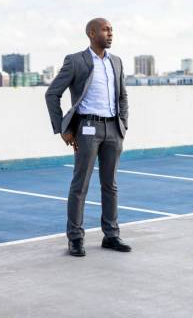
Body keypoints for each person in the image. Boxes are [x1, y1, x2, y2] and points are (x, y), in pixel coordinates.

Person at [45, 17, 131, 257]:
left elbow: (123, 96)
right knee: (80, 185)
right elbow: (52, 94)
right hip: (87, 129)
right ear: (92, 33)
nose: (111, 33)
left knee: (110, 185)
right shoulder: (75, 61)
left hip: (113, 129)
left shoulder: (117, 62)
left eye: (112, 29)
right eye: (106, 30)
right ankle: (75, 239)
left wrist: (123, 123)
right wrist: (63, 128)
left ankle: (111, 235)